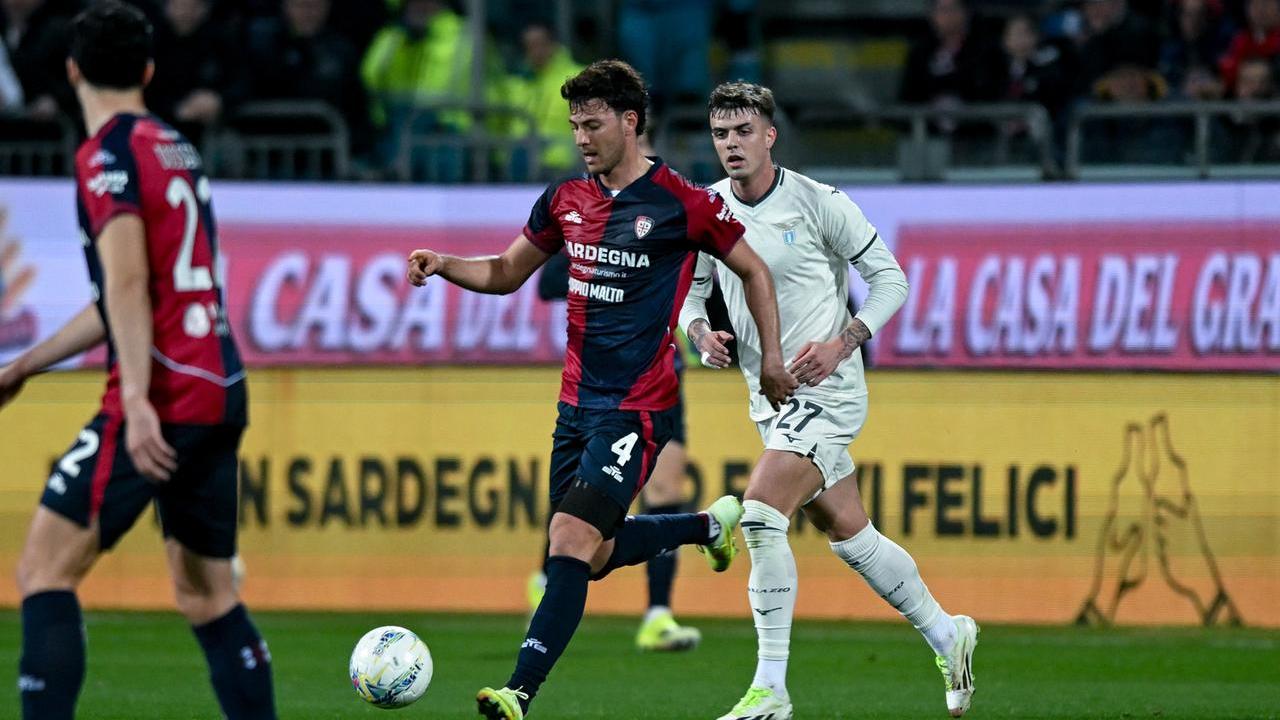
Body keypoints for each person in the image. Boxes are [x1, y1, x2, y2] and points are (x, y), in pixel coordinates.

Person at [404, 59, 796, 720]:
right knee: (593, 551)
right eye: (574, 126)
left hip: (638, 408)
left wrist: (772, 361)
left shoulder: (682, 203)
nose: (581, 138)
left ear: (630, 121)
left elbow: (755, 271)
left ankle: (518, 692)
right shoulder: (564, 200)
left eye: (593, 124)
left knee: (567, 538)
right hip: (574, 407)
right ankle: (708, 524)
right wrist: (444, 264)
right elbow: (505, 272)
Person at [0, 3, 275, 718]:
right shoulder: (174, 146)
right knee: (207, 594)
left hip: (163, 392)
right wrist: (28, 364)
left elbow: (125, 284)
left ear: (71, 72)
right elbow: (131, 291)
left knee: (44, 570)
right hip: (219, 382)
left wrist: (137, 401)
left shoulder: (106, 156)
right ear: (148, 71)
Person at [680, 82, 978, 720]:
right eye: (721, 134)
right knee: (850, 533)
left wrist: (845, 342)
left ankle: (771, 690)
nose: (731, 144)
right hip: (770, 397)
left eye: (743, 131)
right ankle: (948, 634)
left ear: (770, 136)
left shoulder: (819, 203)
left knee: (761, 515)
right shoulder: (707, 208)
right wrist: (701, 334)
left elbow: (891, 280)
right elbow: (691, 296)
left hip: (828, 389)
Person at [531, 250, 702, 653]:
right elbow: (548, 282)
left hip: (661, 383)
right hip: (601, 388)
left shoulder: (689, 235)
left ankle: (658, 615)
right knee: (582, 497)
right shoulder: (605, 234)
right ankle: (549, 576)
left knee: (667, 489)